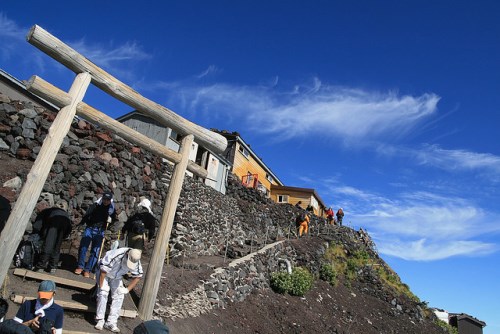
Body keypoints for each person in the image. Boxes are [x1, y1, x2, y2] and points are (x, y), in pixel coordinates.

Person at [95, 247, 143, 333]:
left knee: (120, 295)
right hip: (104, 273)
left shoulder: (136, 259)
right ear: (127, 254)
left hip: (117, 277)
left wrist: (127, 289)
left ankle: (111, 322)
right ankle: (100, 319)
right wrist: (101, 286)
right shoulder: (116, 255)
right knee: (103, 293)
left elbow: (138, 276)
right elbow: (103, 271)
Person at [75, 191, 117, 278]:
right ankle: (80, 266)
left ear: (110, 200)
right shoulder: (95, 205)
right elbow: (87, 215)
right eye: (104, 199)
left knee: (95, 251)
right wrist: (81, 224)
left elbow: (113, 220)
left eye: (108, 200)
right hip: (90, 228)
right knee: (83, 247)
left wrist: (110, 221)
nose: (106, 201)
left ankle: (88, 270)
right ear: (102, 198)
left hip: (100, 230)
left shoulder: (111, 209)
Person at [34, 201, 72, 274]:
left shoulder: (46, 211)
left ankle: (41, 266)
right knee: (57, 245)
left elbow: (37, 226)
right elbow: (69, 228)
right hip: (65, 222)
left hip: (54, 221)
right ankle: (53, 267)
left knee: (48, 243)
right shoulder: (65, 213)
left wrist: (39, 234)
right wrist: (65, 236)